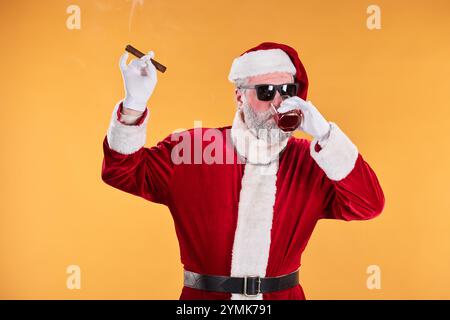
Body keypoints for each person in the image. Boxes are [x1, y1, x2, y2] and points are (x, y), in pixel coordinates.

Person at [101, 42, 385, 300]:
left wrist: (325, 135)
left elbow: (369, 205)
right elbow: (122, 171)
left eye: (287, 91)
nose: (278, 102)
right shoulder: (193, 149)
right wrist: (134, 105)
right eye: (265, 91)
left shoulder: (311, 160)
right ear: (239, 97)